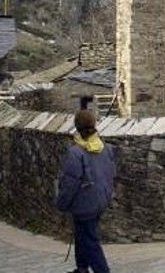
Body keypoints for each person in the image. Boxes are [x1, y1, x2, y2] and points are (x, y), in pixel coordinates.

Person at [56, 110, 117, 273]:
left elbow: (70, 184)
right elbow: (110, 174)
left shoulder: (75, 153)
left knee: (90, 241)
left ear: (77, 127)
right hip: (100, 200)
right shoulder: (105, 148)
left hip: (85, 204)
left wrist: (61, 204)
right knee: (81, 235)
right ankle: (82, 268)